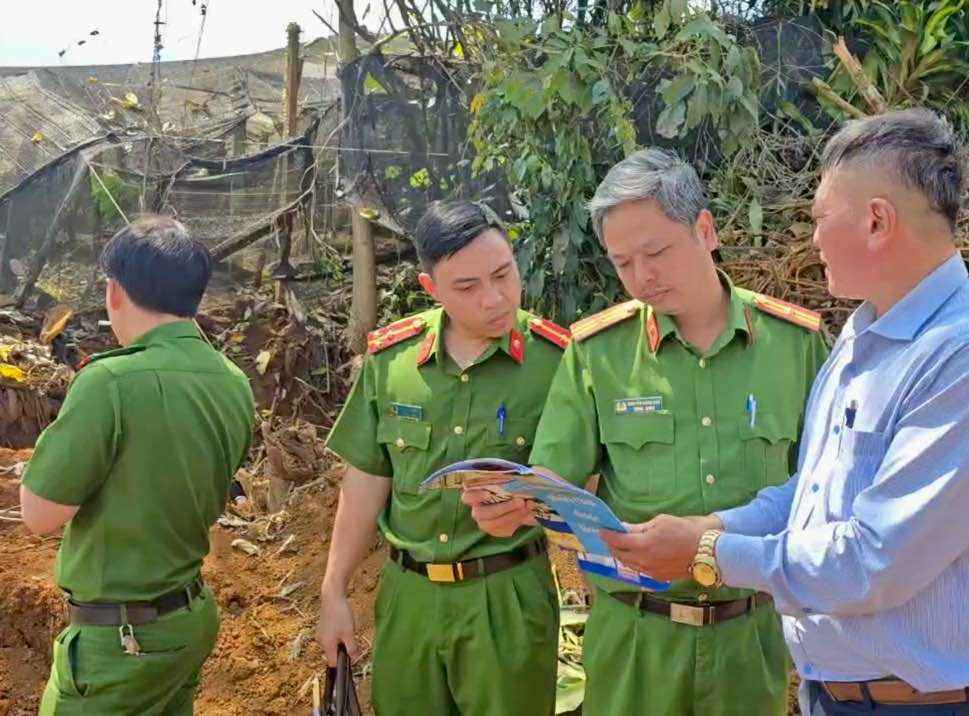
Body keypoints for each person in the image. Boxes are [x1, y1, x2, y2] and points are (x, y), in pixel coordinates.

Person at [605, 109, 969, 715]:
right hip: (838, 696)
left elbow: (876, 559)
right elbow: (808, 495)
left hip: (930, 705)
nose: (811, 237)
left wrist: (704, 555)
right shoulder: (860, 338)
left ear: (876, 221)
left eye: (820, 217)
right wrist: (712, 527)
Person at [465, 149, 829, 715]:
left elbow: (821, 487)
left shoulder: (796, 345)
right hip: (634, 637)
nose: (643, 278)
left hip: (749, 639)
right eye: (623, 262)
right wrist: (511, 503)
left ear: (704, 229)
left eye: (656, 252)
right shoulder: (599, 353)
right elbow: (554, 477)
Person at [317, 200, 570, 715]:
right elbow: (366, 479)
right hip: (408, 598)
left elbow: (581, 484)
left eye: (504, 274)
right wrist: (334, 590)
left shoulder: (558, 363)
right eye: (467, 287)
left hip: (508, 598)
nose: (495, 299)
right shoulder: (393, 361)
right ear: (430, 288)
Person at [21, 216, 256, 715]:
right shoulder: (233, 381)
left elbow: (39, 515)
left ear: (114, 293)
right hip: (185, 617)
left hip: (121, 642)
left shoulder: (108, 383)